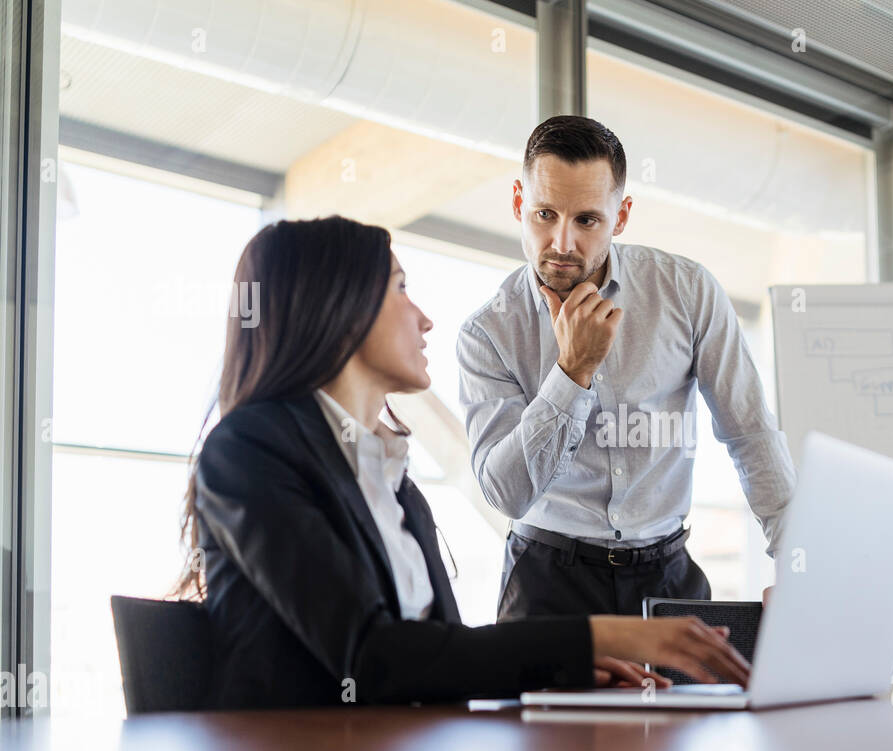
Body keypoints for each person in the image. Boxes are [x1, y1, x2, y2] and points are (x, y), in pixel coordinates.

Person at [174, 215, 748, 708]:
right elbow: (371, 660)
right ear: (337, 306)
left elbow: (437, 654)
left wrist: (564, 672)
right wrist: (594, 638)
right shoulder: (248, 453)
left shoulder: (390, 479)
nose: (423, 319)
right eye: (399, 289)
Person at [459, 115, 796, 623]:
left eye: (587, 220)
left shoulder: (687, 292)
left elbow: (749, 433)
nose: (562, 243)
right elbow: (507, 493)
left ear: (621, 216)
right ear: (516, 203)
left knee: (699, 706)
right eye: (544, 213)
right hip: (547, 581)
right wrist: (572, 372)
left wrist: (798, 565)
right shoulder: (487, 333)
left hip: (667, 576)